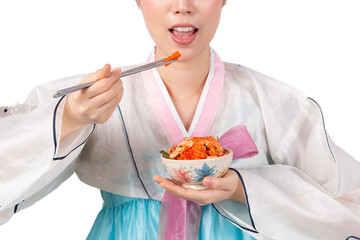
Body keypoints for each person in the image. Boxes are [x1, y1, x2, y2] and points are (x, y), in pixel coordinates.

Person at [1, 0, 359, 239]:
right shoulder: (93, 99)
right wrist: (68, 120)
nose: (183, 6)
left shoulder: (274, 103)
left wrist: (244, 189)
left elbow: (350, 208)